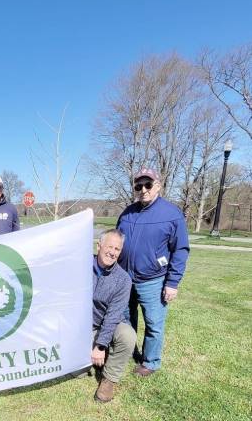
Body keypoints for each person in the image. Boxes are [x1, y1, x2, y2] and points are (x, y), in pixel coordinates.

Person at [117, 168, 190, 376]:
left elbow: (181, 250)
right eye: (138, 186)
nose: (143, 190)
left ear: (158, 186)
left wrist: (172, 282)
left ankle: (150, 362)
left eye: (148, 185)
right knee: (125, 320)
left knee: (154, 324)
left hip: (153, 280)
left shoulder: (171, 214)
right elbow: (116, 242)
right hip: (125, 279)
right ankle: (129, 350)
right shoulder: (127, 213)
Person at [91, 229, 136, 403]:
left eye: (117, 249)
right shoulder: (80, 264)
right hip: (82, 326)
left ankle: (109, 380)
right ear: (99, 245)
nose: (112, 252)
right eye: (109, 246)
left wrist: (100, 346)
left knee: (127, 335)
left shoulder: (123, 280)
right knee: (78, 373)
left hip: (107, 323)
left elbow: (113, 316)